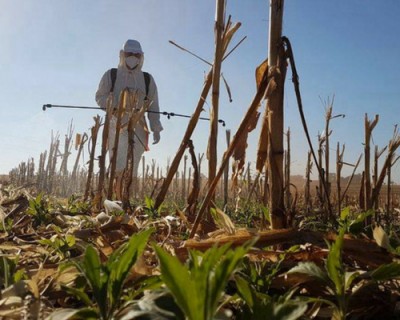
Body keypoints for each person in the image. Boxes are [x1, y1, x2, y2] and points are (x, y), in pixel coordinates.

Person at [95, 39, 163, 177]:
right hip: (116, 123)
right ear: (122, 55)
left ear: (141, 57)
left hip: (139, 125)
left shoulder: (147, 79)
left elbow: (153, 104)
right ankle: (113, 192)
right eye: (129, 53)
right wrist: (113, 107)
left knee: (133, 164)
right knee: (117, 162)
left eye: (136, 55)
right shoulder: (111, 75)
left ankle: (127, 194)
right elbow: (100, 97)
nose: (133, 57)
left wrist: (155, 128)